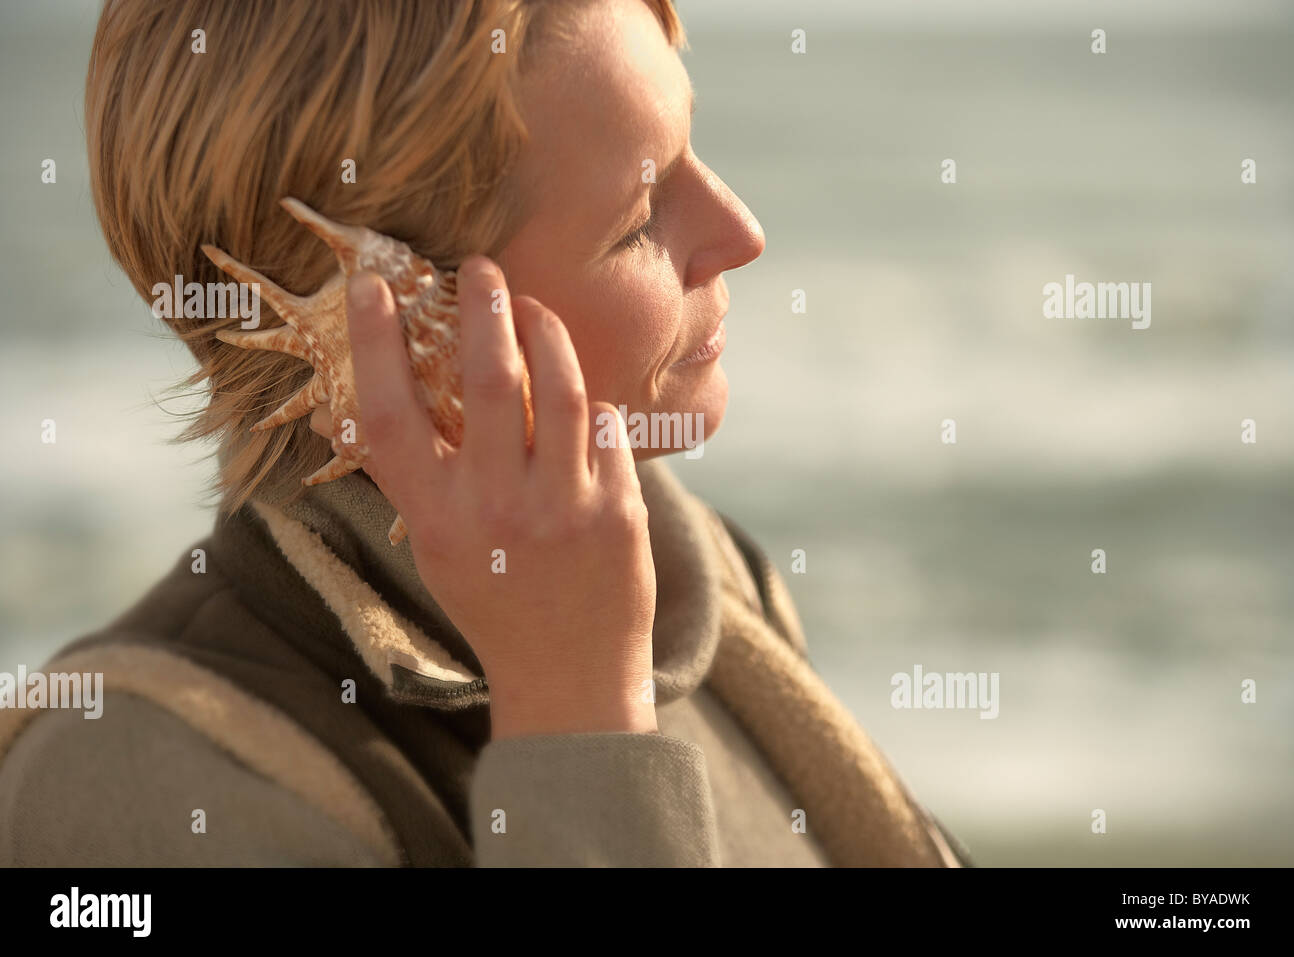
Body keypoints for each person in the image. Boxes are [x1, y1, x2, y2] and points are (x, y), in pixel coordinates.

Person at [0, 0, 973, 867]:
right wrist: (575, 712)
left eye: (692, 149)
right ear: (393, 332)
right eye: (639, 219)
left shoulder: (701, 584)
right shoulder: (141, 775)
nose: (741, 231)